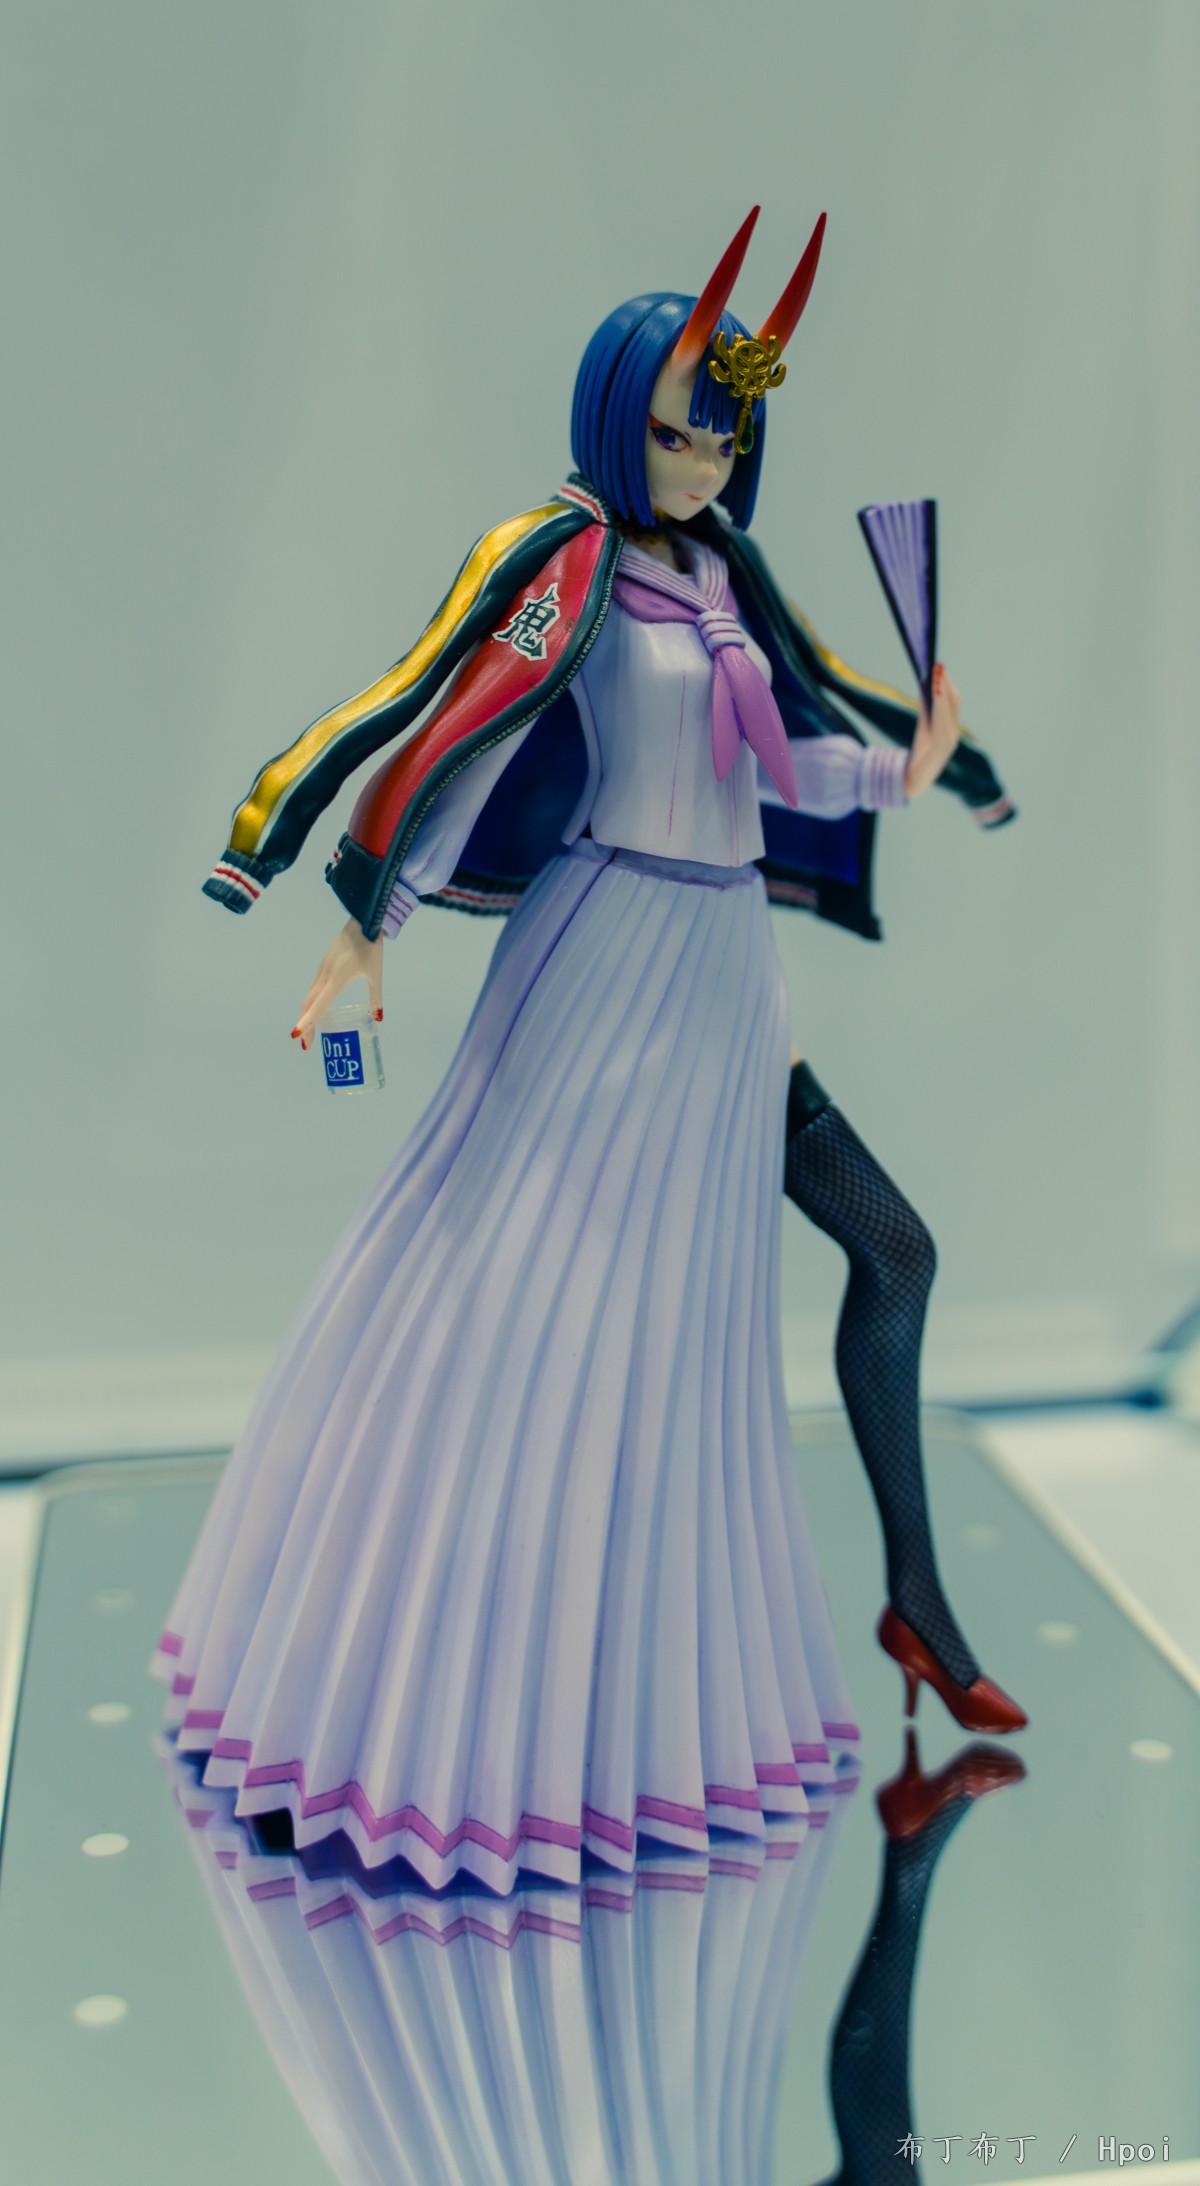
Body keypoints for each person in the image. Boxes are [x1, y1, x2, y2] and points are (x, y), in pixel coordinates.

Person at [155, 207, 1022, 1896]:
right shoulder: (564, 559)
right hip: (606, 960)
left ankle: (900, 1606)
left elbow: (776, 761)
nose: (707, 458)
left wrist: (907, 770)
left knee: (863, 1260)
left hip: (727, 977)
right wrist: (367, 915)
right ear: (620, 415)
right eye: (684, 427)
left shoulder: (727, 579)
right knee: (536, 1332)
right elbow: (454, 725)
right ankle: (407, 1722)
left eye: (728, 435)